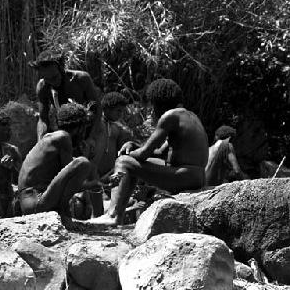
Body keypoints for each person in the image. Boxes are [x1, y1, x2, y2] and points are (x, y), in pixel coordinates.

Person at [89, 78, 209, 226]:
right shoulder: (189, 116)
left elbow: (144, 154)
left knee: (124, 163)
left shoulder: (170, 116)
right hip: (196, 176)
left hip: (185, 176)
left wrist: (125, 155)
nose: (152, 110)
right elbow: (159, 152)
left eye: (153, 105)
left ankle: (113, 215)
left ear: (159, 103)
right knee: (130, 165)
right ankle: (116, 216)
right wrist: (133, 145)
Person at [18, 103, 101, 227]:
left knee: (82, 162)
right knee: (82, 163)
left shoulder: (53, 140)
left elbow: (67, 181)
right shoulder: (63, 137)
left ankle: (64, 216)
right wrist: (95, 184)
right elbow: (72, 182)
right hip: (37, 202)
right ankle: (65, 216)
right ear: (80, 128)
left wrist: (101, 183)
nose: (84, 134)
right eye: (85, 129)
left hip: (31, 203)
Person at [29, 52, 101, 144]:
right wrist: (40, 140)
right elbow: (43, 119)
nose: (52, 82)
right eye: (47, 78)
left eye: (55, 77)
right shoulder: (43, 86)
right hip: (65, 128)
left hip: (89, 126)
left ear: (61, 69)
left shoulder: (81, 79)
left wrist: (91, 138)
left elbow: (98, 109)